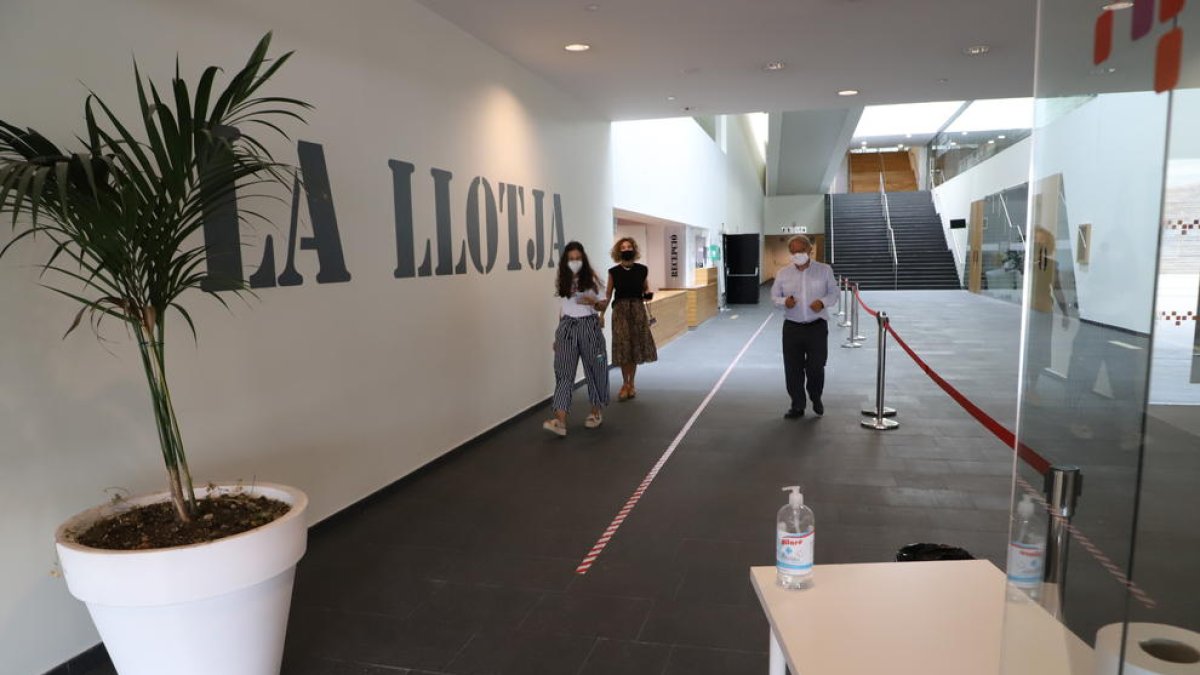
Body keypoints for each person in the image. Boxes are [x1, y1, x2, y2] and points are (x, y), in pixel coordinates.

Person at [544, 241, 610, 437]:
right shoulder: (562, 281)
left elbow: (603, 306)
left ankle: (595, 412)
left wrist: (595, 302)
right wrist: (558, 335)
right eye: (571, 259)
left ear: (583, 259)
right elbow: (563, 309)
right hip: (567, 328)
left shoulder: (593, 280)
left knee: (595, 369)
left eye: (578, 258)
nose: (574, 262)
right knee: (563, 373)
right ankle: (560, 421)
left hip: (589, 326)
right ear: (566, 261)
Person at [771, 235, 839, 418]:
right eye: (793, 251)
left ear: (810, 250)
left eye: (800, 250)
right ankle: (797, 404)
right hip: (792, 328)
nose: (796, 254)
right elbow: (774, 297)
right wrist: (785, 301)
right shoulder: (783, 273)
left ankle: (816, 396)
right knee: (792, 368)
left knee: (816, 366)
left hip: (816, 327)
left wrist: (823, 302)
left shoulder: (824, 270)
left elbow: (834, 293)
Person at [605, 237, 658, 401]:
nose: (626, 249)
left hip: (636, 310)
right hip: (620, 311)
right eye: (623, 247)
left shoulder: (642, 270)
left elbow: (645, 289)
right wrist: (600, 313)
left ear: (633, 249)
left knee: (634, 347)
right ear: (618, 251)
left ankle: (631, 384)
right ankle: (624, 383)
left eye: (629, 246)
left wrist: (647, 295)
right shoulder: (613, 271)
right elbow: (608, 294)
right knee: (623, 348)